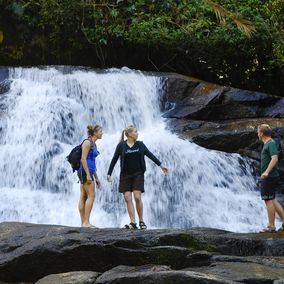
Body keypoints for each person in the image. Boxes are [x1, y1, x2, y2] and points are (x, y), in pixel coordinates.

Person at [107, 125, 169, 230]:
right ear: (130, 134)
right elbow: (114, 159)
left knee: (137, 197)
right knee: (127, 198)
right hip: (125, 175)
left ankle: (141, 221)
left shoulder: (140, 145)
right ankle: (133, 222)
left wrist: (161, 165)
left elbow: (150, 155)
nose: (137, 133)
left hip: (138, 174)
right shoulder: (121, 145)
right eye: (135, 131)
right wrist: (109, 173)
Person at [257, 124, 284, 232]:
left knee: (268, 200)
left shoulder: (271, 143)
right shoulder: (268, 143)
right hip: (270, 176)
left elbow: (274, 158)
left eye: (258, 132)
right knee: (272, 199)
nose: (257, 134)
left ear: (262, 133)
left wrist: (266, 172)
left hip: (269, 177)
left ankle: (271, 226)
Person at [78, 124, 103, 228]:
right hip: (85, 172)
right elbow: (83, 159)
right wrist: (88, 175)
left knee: (84, 196)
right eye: (100, 131)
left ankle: (83, 222)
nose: (102, 133)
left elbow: (92, 162)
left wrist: (96, 177)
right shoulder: (87, 143)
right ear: (95, 132)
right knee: (91, 196)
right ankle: (86, 222)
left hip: (89, 172)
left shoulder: (94, 144)